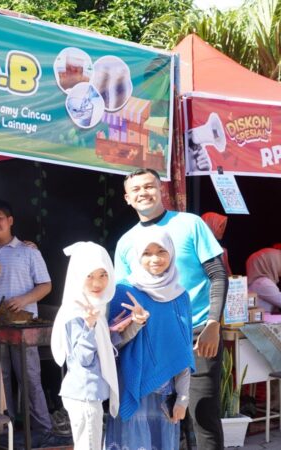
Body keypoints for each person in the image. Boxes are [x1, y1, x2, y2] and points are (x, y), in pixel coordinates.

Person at [114, 168, 226, 449]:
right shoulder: (125, 243)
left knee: (200, 416)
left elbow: (218, 274)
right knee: (162, 423)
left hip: (199, 335)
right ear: (127, 198)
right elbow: (121, 298)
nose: (143, 193)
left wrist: (214, 323)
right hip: (152, 345)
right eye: (136, 189)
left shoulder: (190, 224)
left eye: (149, 186)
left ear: (161, 189)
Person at [0, 199, 62, 447]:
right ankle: (2, 432)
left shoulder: (29, 251)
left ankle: (43, 430)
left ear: (10, 221)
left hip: (22, 329)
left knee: (30, 378)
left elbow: (46, 285)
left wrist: (24, 299)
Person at [106, 229, 195, 450]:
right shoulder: (123, 291)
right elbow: (112, 346)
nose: (155, 259)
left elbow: (184, 351)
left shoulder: (181, 296)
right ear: (137, 256)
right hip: (132, 386)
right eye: (146, 253)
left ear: (171, 254)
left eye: (161, 251)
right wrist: (136, 323)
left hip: (166, 392)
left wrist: (183, 398)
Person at [51, 242, 124, 450]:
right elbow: (83, 358)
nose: (97, 282)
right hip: (84, 395)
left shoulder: (95, 308)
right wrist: (91, 326)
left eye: (103, 274)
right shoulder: (78, 312)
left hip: (89, 394)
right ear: (77, 276)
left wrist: (113, 330)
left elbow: (101, 350)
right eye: (89, 276)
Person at [246, 248, 281, 313]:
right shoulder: (263, 283)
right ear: (270, 263)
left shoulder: (258, 282)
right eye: (278, 261)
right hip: (265, 321)